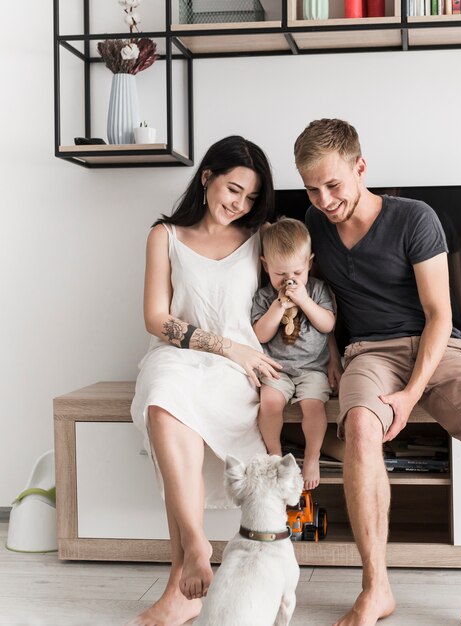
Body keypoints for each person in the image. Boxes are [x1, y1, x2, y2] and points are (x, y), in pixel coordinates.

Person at [293, 118, 461, 626]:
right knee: (357, 425)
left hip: (439, 348)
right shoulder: (312, 228)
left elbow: (440, 313)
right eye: (312, 189)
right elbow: (319, 298)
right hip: (369, 353)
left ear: (361, 167)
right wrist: (330, 354)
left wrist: (411, 393)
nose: (324, 200)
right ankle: (376, 590)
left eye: (333, 185)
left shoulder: (415, 217)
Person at [128, 136, 282, 626]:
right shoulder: (165, 235)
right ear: (206, 176)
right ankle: (194, 548)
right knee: (161, 399)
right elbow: (156, 318)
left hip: (239, 369)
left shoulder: (261, 238)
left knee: (173, 408)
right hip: (177, 354)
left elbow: (304, 282)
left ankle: (181, 584)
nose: (239, 204)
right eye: (233, 189)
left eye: (250, 197)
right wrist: (225, 345)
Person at [251, 218, 336, 490]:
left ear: (310, 263)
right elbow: (260, 335)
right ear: (266, 266)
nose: (289, 281)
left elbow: (327, 324)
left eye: (297, 274)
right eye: (280, 275)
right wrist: (278, 306)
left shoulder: (318, 290)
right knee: (270, 404)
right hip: (277, 368)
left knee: (313, 407)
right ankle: (275, 455)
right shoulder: (265, 297)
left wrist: (304, 300)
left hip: (313, 369)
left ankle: (312, 457)